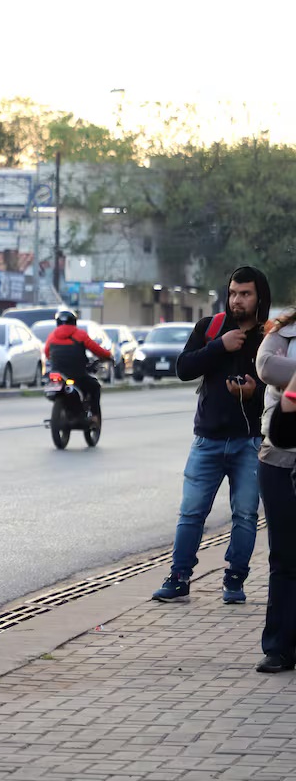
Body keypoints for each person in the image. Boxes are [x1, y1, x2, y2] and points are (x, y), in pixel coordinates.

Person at [152, 265, 269, 604]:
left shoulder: (269, 337)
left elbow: (280, 388)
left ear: (259, 297)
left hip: (250, 441)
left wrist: (254, 392)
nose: (237, 300)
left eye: (245, 294)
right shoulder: (211, 328)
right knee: (191, 513)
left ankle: (235, 578)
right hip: (208, 439)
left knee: (245, 514)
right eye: (232, 293)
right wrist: (219, 346)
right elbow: (183, 368)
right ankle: (179, 577)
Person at [253, 308, 296, 672]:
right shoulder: (285, 330)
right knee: (283, 556)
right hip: (280, 456)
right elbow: (266, 366)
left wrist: (291, 373)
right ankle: (279, 647)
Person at [42, 310, 111, 422]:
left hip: (57, 373)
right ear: (74, 322)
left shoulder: (52, 336)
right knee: (95, 387)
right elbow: (97, 350)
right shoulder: (80, 335)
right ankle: (94, 416)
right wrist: (108, 356)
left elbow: (46, 353)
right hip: (77, 373)